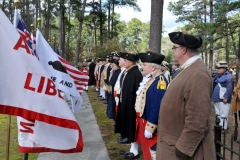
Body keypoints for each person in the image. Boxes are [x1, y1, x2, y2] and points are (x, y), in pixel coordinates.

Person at [156, 32, 216, 160]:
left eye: (174, 47)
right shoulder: (188, 69)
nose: (172, 50)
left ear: (183, 50)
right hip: (171, 144)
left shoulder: (198, 73)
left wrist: (183, 149)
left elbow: (198, 119)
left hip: (182, 152)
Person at [133, 52, 167, 160]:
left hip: (150, 122)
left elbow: (158, 105)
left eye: (144, 65)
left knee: (153, 151)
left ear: (152, 67)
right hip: (143, 120)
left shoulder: (160, 81)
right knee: (146, 150)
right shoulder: (150, 79)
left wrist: (150, 127)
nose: (142, 67)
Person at [114, 53, 143, 159]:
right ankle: (131, 149)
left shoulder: (135, 73)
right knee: (128, 127)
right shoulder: (129, 72)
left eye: (126, 61)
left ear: (131, 62)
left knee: (132, 128)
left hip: (132, 106)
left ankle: (135, 151)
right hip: (126, 104)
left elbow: (136, 92)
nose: (124, 62)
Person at [212, 61, 232, 130]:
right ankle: (218, 127)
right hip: (217, 98)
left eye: (219, 68)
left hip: (223, 99)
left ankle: (223, 128)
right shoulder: (217, 76)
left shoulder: (228, 77)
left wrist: (226, 97)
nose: (217, 69)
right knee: (218, 113)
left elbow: (229, 88)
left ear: (224, 68)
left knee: (223, 114)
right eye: (217, 68)